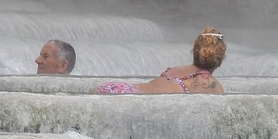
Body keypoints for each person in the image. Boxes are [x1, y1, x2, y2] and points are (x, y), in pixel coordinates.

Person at [95, 28, 226, 95]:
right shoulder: (214, 86)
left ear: (195, 51)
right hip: (132, 98)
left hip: (117, 88)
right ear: (220, 58)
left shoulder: (175, 69)